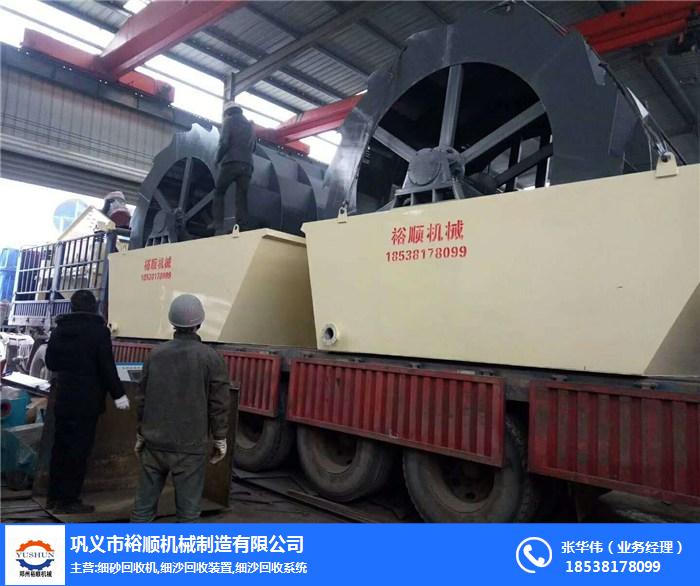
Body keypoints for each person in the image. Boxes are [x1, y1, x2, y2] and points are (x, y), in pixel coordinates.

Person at [131, 294, 231, 523]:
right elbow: (219, 404)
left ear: (172, 322)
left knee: (142, 510)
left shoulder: (155, 355)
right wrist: (220, 438)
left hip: (154, 444)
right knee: (188, 515)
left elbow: (142, 398)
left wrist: (141, 433)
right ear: (200, 323)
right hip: (190, 447)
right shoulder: (211, 358)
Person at [45, 289, 130, 514]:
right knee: (79, 450)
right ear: (94, 307)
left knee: (60, 447)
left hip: (64, 399)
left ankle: (53, 497)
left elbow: (51, 363)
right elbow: (106, 367)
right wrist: (119, 394)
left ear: (72, 307)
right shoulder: (98, 332)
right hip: (87, 402)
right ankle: (69, 500)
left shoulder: (60, 329)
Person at [213, 102, 256, 234]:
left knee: (219, 192)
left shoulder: (229, 121)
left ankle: (218, 224)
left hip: (231, 163)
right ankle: (242, 225)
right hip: (247, 165)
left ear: (228, 112)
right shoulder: (250, 125)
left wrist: (217, 159)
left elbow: (224, 142)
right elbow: (253, 147)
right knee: (241, 197)